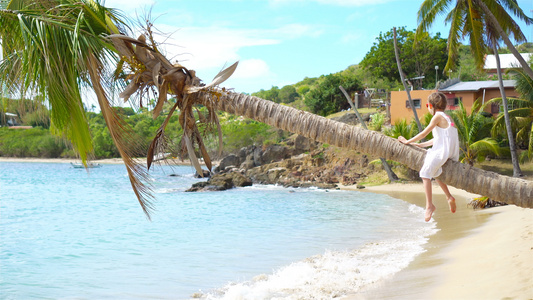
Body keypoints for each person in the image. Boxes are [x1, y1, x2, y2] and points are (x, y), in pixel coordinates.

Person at [398, 92, 460, 222]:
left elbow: (423, 133)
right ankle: (449, 197)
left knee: (425, 173)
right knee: (435, 171)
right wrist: (419, 145)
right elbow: (439, 139)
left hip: (443, 151)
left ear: (431, 105)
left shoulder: (437, 117)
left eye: (427, 105)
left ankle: (429, 206)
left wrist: (407, 142)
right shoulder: (447, 117)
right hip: (450, 151)